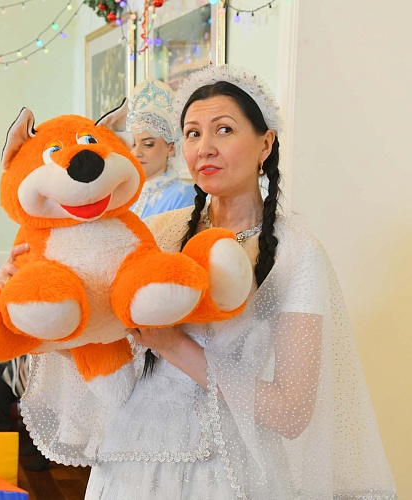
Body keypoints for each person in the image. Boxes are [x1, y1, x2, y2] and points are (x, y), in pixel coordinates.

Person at [84, 66, 397, 498]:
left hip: (227, 472)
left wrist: (173, 345)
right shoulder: (157, 232)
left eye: (224, 130)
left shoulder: (295, 252)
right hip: (130, 461)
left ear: (265, 143)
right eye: (193, 134)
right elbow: (97, 332)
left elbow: (291, 412)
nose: (205, 148)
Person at [127, 78, 196, 219]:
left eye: (148, 144)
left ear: (171, 148)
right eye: (133, 144)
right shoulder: (124, 195)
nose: (136, 153)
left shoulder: (184, 194)